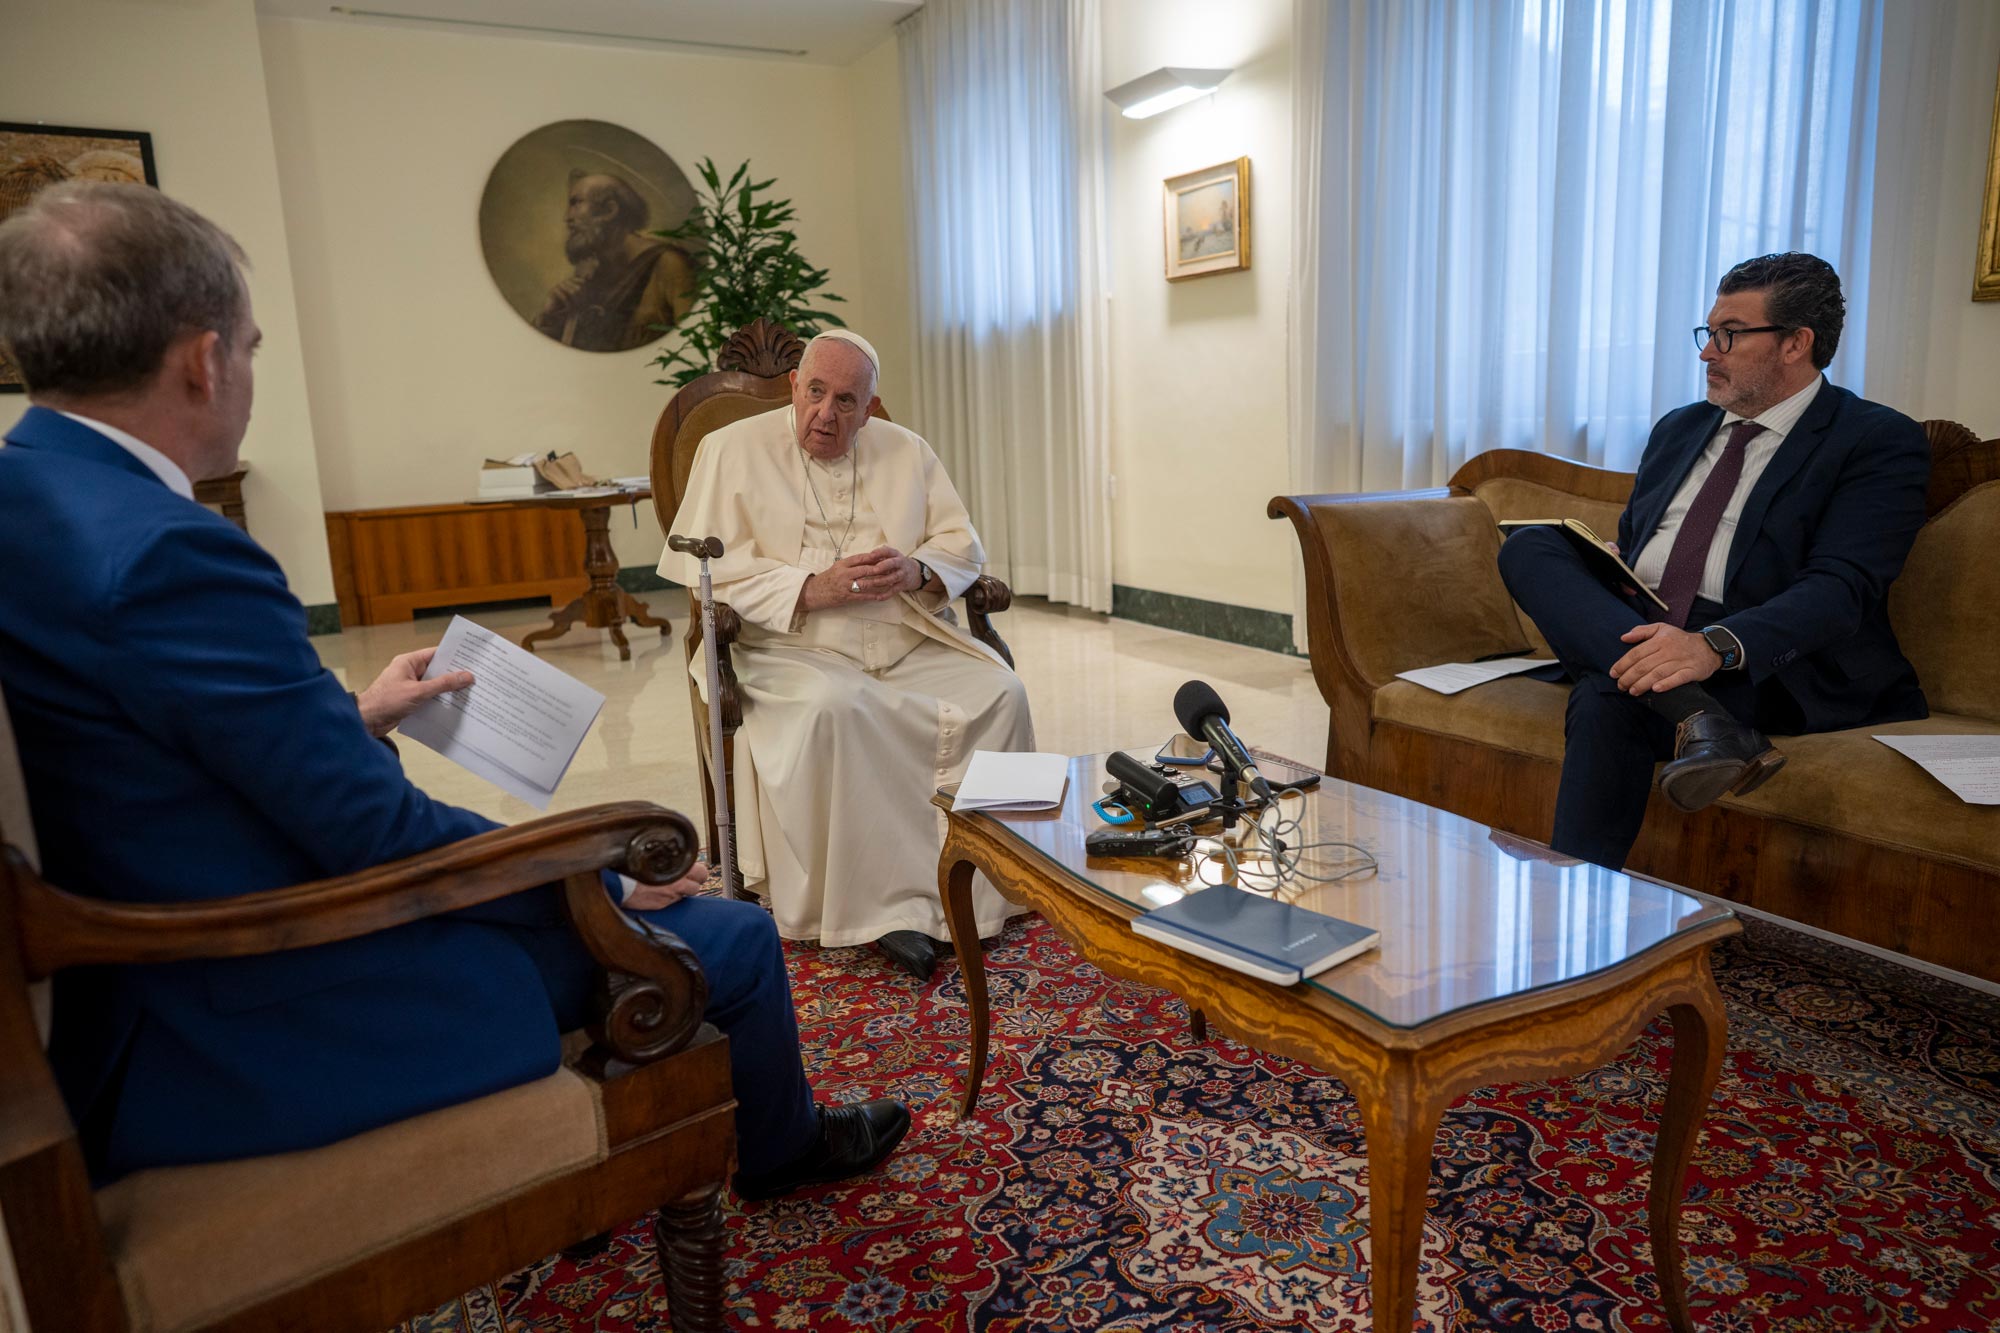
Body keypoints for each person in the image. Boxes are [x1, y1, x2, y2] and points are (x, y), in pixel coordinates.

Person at [0, 180, 903, 1200]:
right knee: (723, 934)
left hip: (125, 952)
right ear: (203, 361)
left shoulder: (27, 491)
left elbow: (137, 739)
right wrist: (601, 879)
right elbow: (374, 836)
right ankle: (782, 1156)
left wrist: (347, 717)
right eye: (252, 348)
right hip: (243, 995)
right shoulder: (172, 551)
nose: (250, 372)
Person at [1498, 252, 1930, 870]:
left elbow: (1843, 589)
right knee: (1530, 547)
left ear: (1795, 344)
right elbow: (1641, 536)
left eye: (1729, 335)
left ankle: (1570, 915)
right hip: (1645, 623)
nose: (1707, 353)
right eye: (1709, 334)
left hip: (1762, 660)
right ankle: (1702, 719)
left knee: (1605, 698)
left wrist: (1713, 646)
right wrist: (1617, 562)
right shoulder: (1680, 428)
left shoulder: (1875, 440)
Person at [659, 330, 1034, 981]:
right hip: (790, 646)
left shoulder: (907, 449)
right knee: (838, 709)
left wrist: (916, 570)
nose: (826, 414)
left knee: (1001, 693)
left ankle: (991, 885)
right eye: (816, 393)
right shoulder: (730, 450)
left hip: (905, 635)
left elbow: (962, 543)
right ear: (794, 388)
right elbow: (704, 572)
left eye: (846, 401)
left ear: (869, 407)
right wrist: (811, 587)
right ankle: (878, 911)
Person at [533, 169, 694, 353]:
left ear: (610, 210)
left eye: (576, 203)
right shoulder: (592, 274)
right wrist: (550, 315)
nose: (567, 217)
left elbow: (697, 346)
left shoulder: (670, 265)